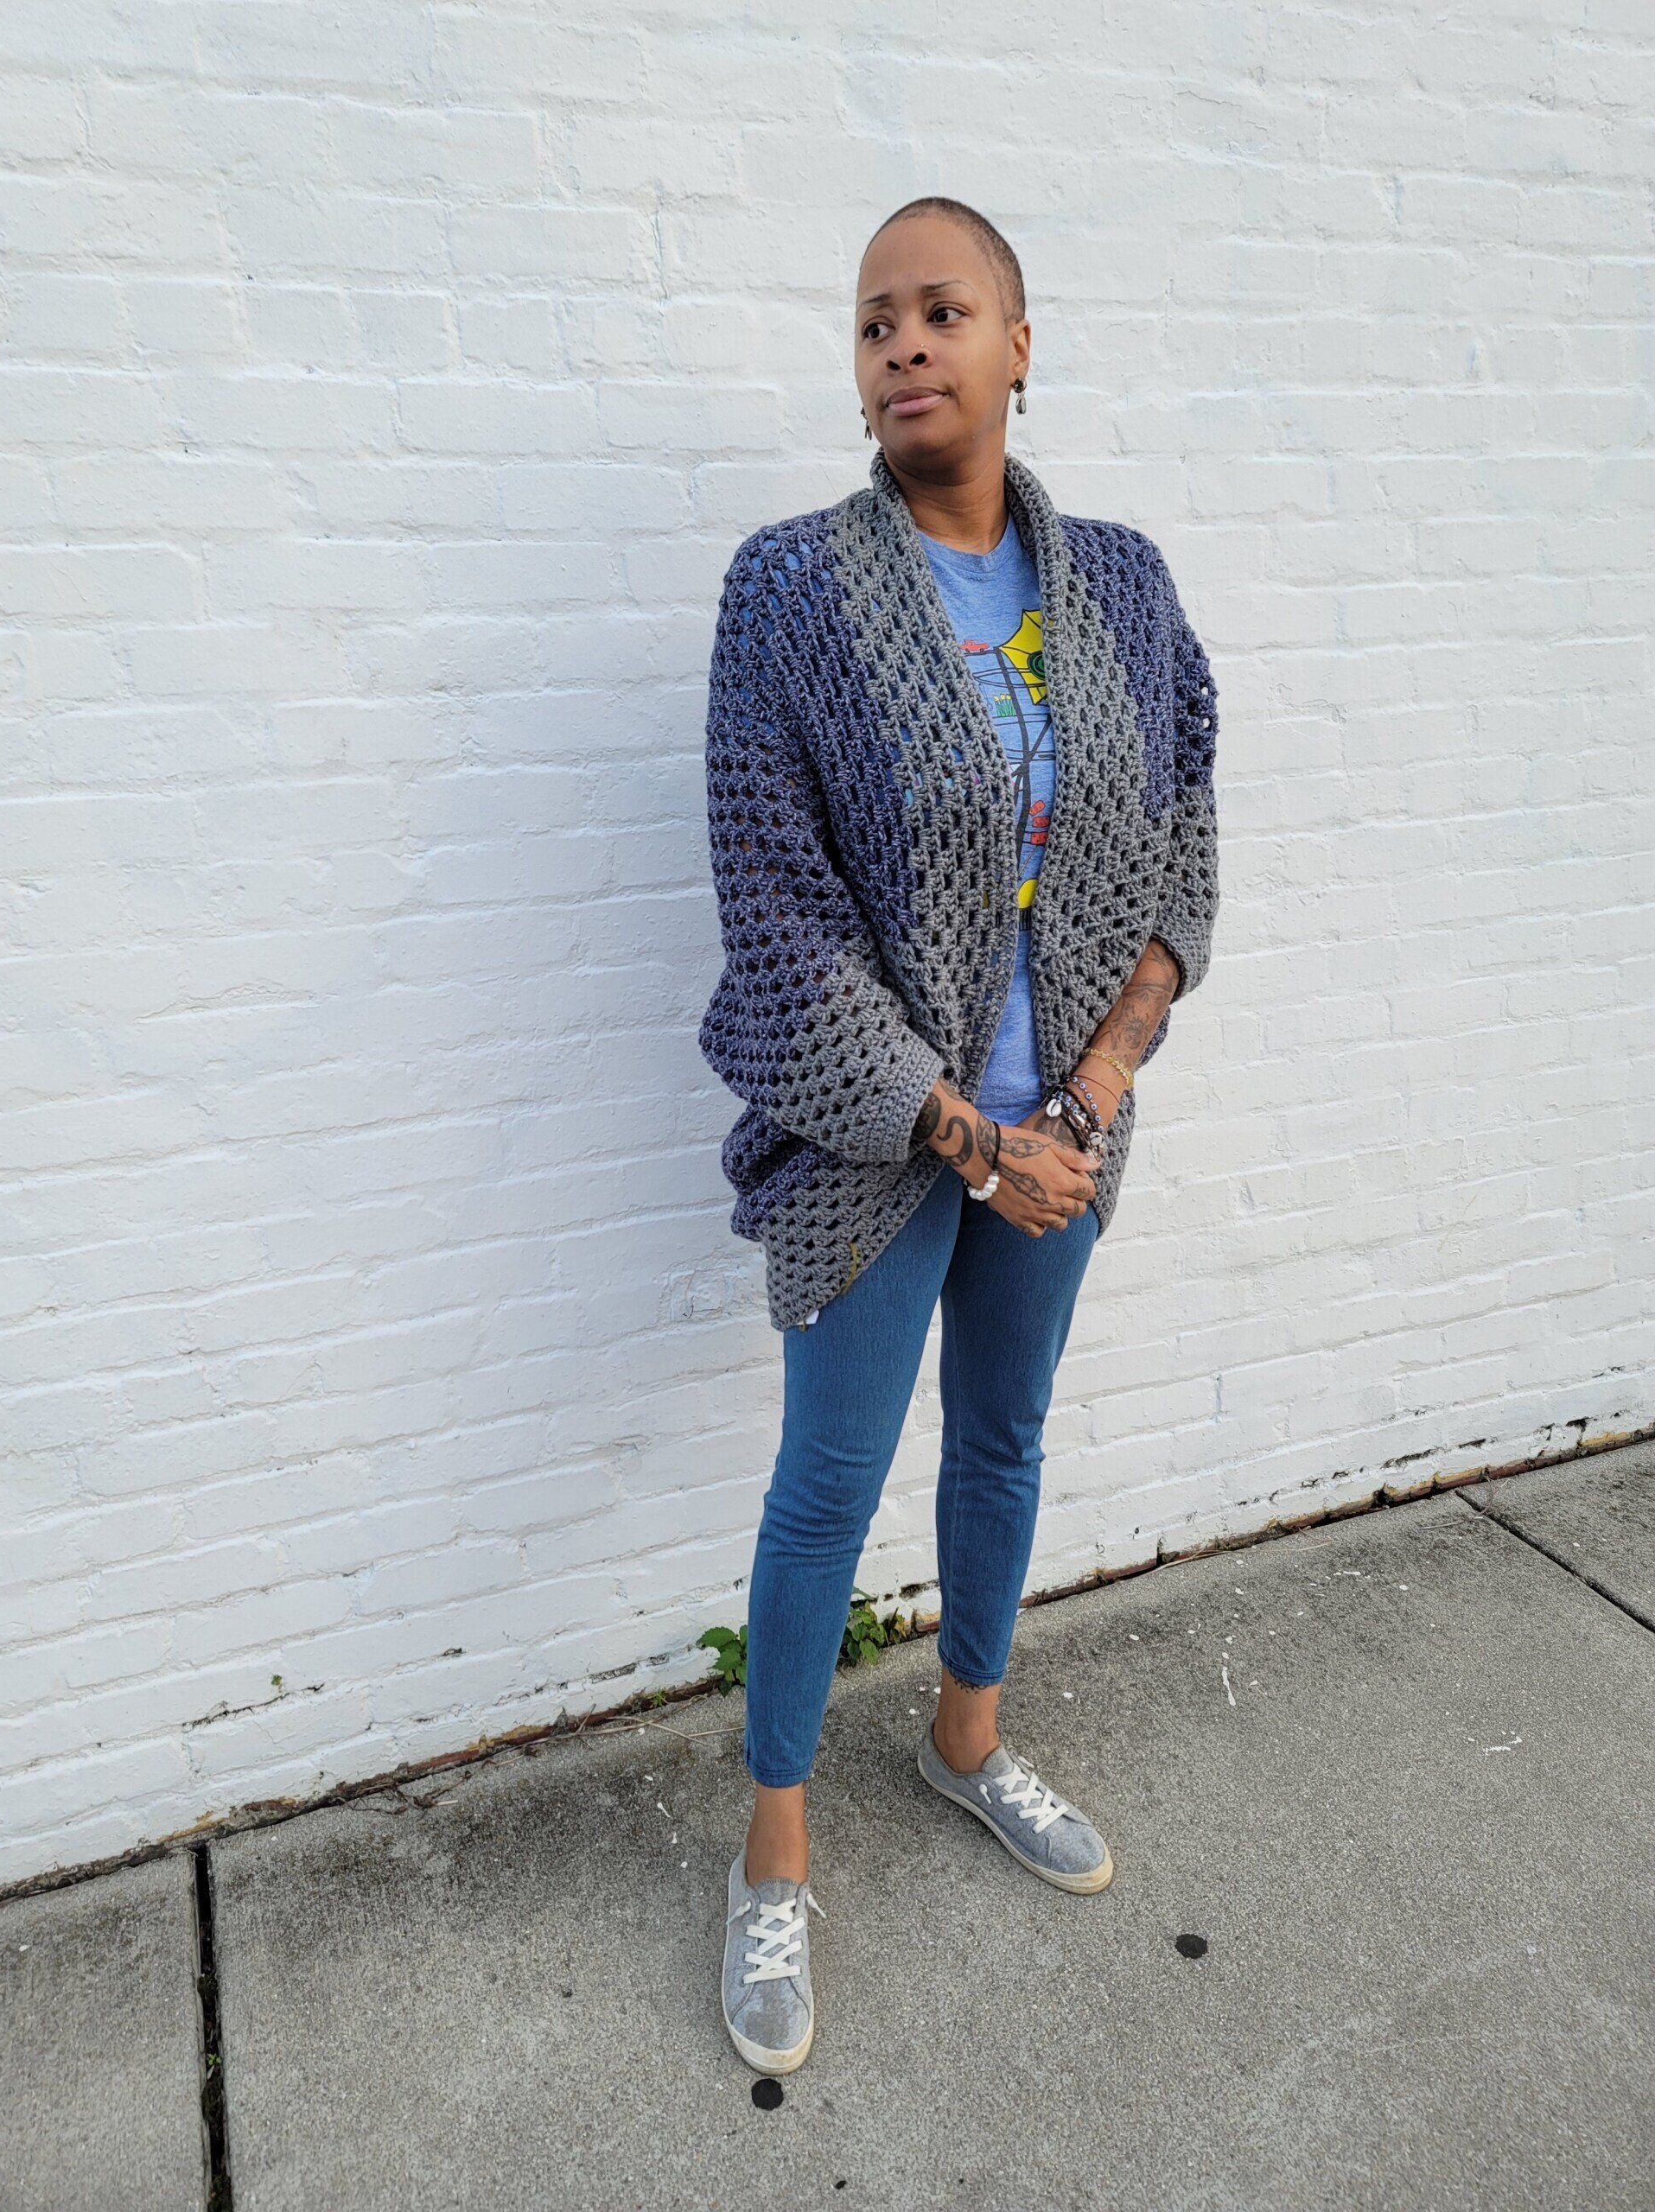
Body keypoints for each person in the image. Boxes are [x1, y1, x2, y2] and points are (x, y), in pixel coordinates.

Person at [697, 195, 1221, 2075]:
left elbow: (1183, 854)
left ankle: (969, 1739)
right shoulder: (791, 591)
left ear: (1018, 343)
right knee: (824, 1492)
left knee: (1005, 1431)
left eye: (940, 310)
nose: (901, 344)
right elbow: (777, 911)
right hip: (873, 1142)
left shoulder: (1131, 592)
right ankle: (773, 1844)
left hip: (1066, 1132)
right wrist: (959, 1131)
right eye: (870, 323)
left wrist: (1077, 1099)